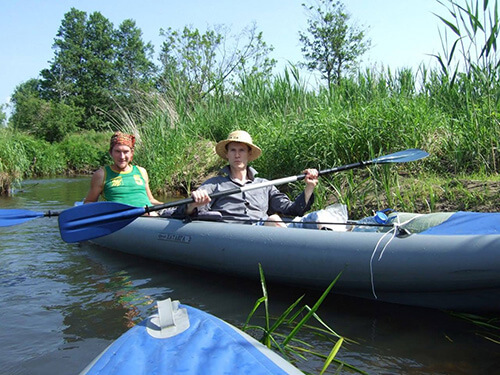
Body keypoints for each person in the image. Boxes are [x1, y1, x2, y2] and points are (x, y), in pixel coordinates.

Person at [175, 130, 319, 227]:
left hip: (265, 230)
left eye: (241, 150)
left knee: (318, 218)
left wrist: (309, 188)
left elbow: (291, 210)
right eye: (233, 150)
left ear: (249, 154)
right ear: (227, 155)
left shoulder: (265, 185)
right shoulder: (213, 185)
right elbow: (186, 214)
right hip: (234, 236)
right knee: (274, 219)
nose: (237, 155)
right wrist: (193, 204)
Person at [84, 131, 162, 209]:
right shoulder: (101, 175)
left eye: (126, 152)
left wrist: (167, 205)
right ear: (111, 153)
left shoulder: (142, 171)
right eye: (117, 151)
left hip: (150, 215)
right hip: (123, 218)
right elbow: (88, 202)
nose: (122, 156)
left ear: (131, 153)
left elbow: (151, 200)